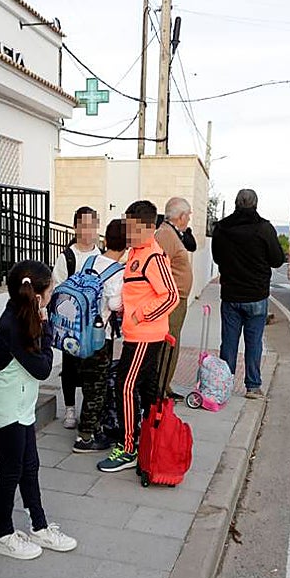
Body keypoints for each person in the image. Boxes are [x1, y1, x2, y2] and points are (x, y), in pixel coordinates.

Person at [0, 261, 78, 560]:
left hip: (21, 408)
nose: (52, 294)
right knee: (12, 472)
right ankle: (4, 533)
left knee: (30, 468)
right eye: (50, 289)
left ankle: (39, 526)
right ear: (38, 295)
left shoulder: (24, 317)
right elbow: (42, 368)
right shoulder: (13, 324)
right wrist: (48, 327)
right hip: (6, 411)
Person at [98, 200, 178, 473]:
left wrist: (139, 315)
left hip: (146, 335)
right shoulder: (136, 253)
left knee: (125, 386)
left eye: (133, 228)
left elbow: (171, 296)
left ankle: (128, 447)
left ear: (150, 228)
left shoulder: (153, 257)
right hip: (137, 335)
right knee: (144, 388)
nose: (128, 234)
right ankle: (147, 439)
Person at [211, 189, 285, 398]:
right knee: (254, 343)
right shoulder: (264, 228)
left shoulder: (222, 228)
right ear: (255, 204)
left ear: (236, 203)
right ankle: (253, 386)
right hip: (256, 295)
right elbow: (277, 260)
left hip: (231, 294)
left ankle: (223, 385)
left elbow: (217, 257)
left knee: (229, 343)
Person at [72, 217, 126, 453]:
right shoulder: (118, 271)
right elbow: (114, 304)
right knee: (98, 384)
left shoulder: (92, 260)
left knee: (88, 381)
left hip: (80, 331)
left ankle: (90, 426)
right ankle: (86, 437)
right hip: (99, 336)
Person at [51, 206, 103, 429]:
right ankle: (70, 409)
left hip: (92, 323)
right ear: (75, 227)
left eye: (91, 225)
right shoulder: (67, 257)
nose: (87, 230)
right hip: (71, 324)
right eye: (83, 225)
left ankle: (88, 408)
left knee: (91, 366)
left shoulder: (101, 255)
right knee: (70, 366)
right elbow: (57, 287)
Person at [155, 197, 194, 400]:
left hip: (177, 298)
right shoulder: (166, 235)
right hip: (172, 300)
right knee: (168, 343)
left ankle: (165, 385)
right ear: (180, 216)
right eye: (188, 215)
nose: (189, 219)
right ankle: (160, 388)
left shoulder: (171, 233)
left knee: (172, 342)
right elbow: (159, 267)